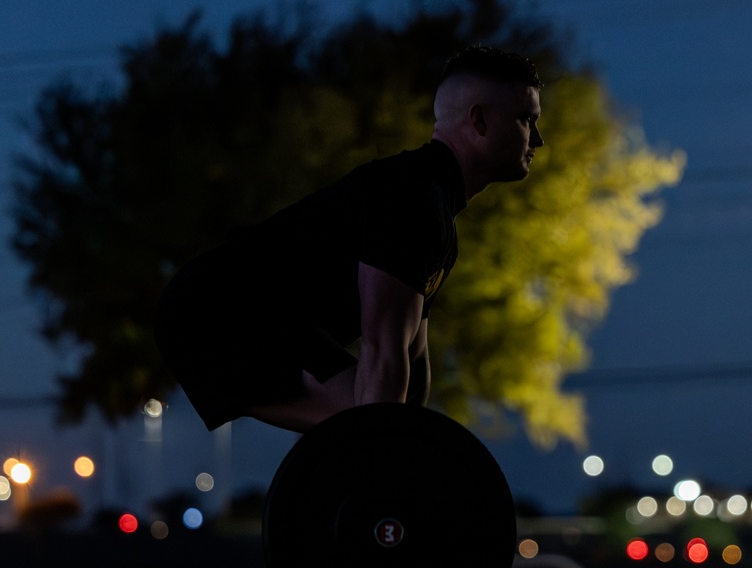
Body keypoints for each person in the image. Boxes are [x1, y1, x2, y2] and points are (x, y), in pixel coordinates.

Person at [154, 46, 544, 434]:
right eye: (527, 120)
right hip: (214, 312)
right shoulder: (413, 201)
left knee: (385, 422)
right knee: (369, 421)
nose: (538, 139)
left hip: (267, 318)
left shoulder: (436, 213)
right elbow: (382, 352)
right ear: (479, 121)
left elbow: (414, 363)